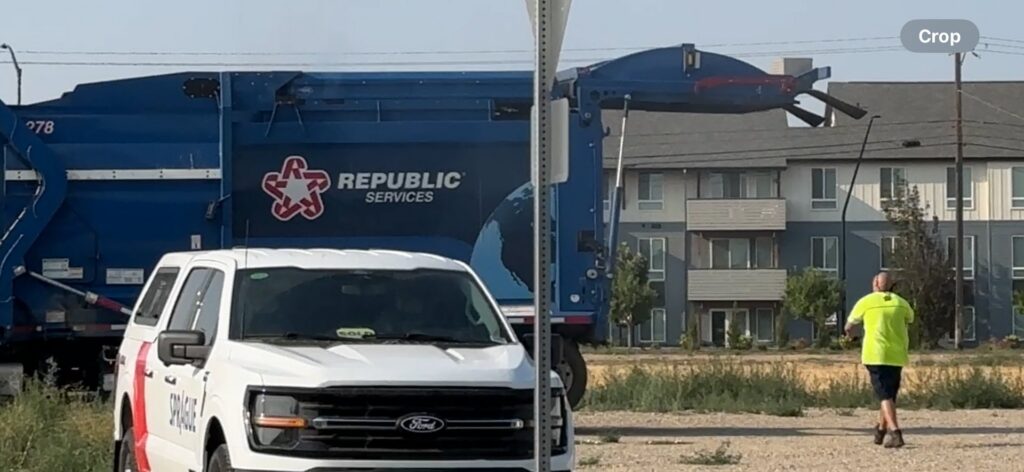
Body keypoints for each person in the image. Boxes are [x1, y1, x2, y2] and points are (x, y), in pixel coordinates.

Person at [845, 271, 914, 448]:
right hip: (897, 355)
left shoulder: (867, 302)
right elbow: (910, 318)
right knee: (889, 394)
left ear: (875, 284)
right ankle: (881, 430)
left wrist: (850, 336)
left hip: (875, 354)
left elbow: (849, 325)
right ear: (891, 285)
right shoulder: (901, 302)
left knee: (884, 395)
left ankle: (895, 432)